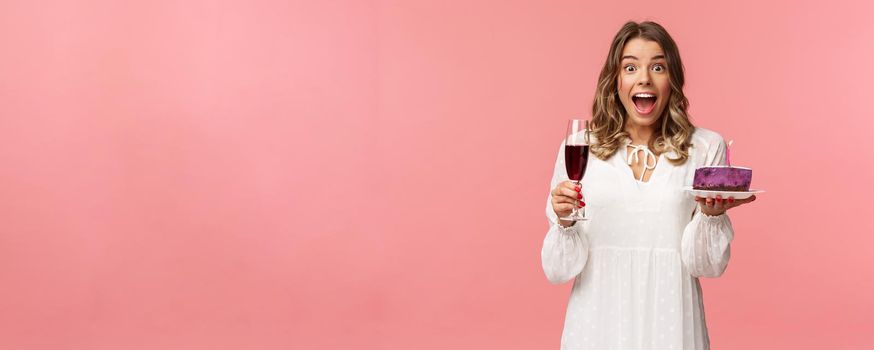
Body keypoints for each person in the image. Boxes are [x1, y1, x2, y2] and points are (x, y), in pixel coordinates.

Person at [541, 21, 757, 349]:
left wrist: (712, 216)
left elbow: (707, 267)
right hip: (597, 320)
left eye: (658, 66)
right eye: (630, 67)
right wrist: (565, 222)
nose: (644, 78)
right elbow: (558, 271)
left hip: (672, 318)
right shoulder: (581, 146)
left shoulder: (704, 147)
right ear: (615, 80)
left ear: (672, 80)